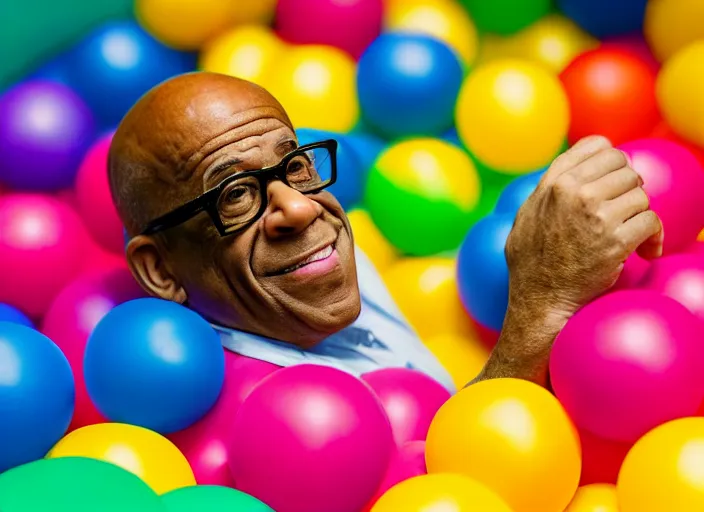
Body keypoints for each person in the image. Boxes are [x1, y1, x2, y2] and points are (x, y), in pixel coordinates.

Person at [108, 72, 663, 393]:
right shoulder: (265, 410)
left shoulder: (299, 272)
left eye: (294, 165)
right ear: (161, 269)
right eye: (235, 194)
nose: (299, 210)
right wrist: (543, 303)